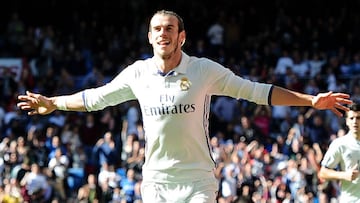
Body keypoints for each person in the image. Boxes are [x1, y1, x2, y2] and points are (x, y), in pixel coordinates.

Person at [17, 10, 352, 203]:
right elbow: (94, 98)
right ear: (150, 37)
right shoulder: (137, 73)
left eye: (170, 28)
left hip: (197, 181)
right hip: (156, 180)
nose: (164, 33)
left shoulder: (204, 70)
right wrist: (54, 103)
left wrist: (310, 100)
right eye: (157, 29)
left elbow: (256, 92)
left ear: (181, 37)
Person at [318, 103, 360, 202]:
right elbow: (323, 173)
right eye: (351, 118)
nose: (355, 122)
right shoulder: (340, 144)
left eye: (358, 118)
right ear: (346, 121)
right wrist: (344, 175)